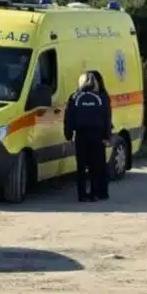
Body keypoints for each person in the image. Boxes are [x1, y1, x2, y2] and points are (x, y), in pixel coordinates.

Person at [63, 71, 113, 202]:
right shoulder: (101, 97)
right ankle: (95, 193)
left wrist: (68, 134)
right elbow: (106, 118)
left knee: (81, 166)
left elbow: (69, 118)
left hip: (81, 135)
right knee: (96, 165)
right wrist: (107, 136)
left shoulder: (74, 97)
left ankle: (82, 194)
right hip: (97, 135)